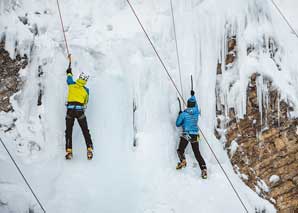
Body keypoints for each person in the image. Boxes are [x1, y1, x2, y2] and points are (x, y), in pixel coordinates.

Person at [175, 90, 207, 179]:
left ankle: (183, 161)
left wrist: (180, 115)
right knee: (197, 153)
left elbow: (177, 124)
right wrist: (193, 95)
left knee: (180, 150)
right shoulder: (196, 112)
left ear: (188, 104)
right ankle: (204, 170)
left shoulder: (184, 114)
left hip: (187, 134)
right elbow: (195, 103)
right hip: (195, 135)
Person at [65, 64, 93, 160]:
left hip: (70, 110)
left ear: (79, 78)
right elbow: (86, 102)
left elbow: (69, 78)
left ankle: (69, 151)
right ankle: (89, 148)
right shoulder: (86, 90)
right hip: (79, 111)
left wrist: (69, 71)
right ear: (85, 81)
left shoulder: (72, 84)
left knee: (69, 131)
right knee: (85, 130)